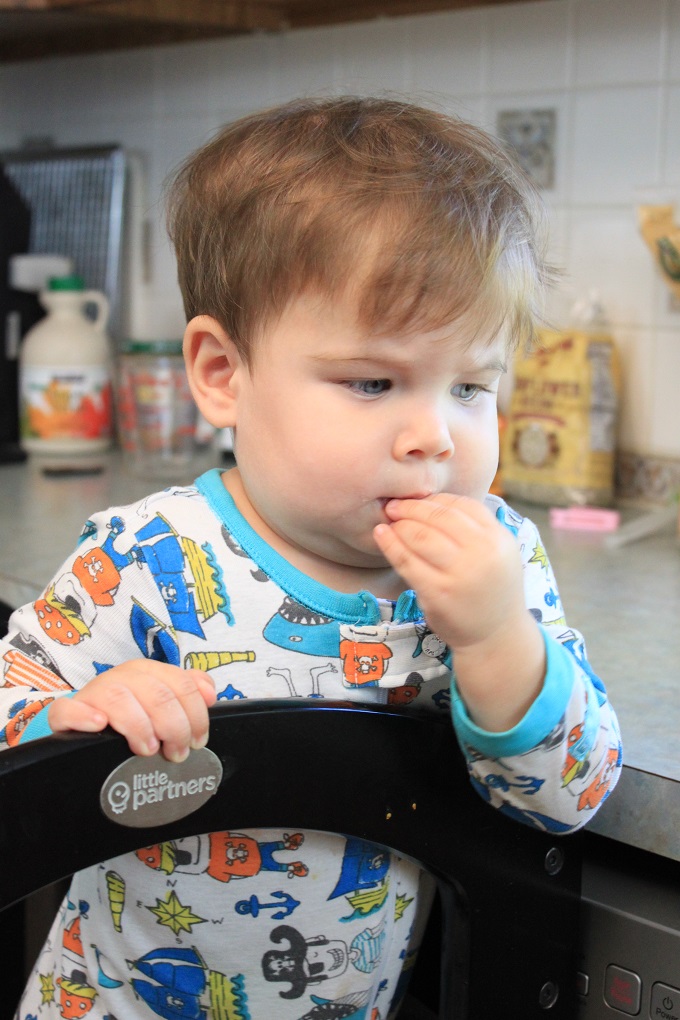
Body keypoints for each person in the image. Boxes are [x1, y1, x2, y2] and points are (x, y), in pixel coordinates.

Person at [2, 96, 621, 1020]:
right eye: (372, 382)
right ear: (222, 374)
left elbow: (568, 802)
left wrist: (497, 638)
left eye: (470, 386)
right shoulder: (147, 557)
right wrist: (73, 712)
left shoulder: (498, 561)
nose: (432, 437)